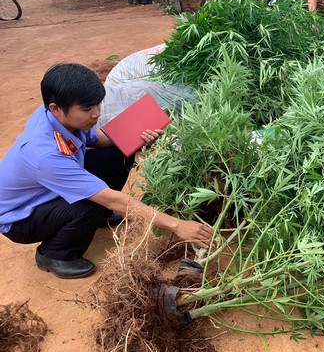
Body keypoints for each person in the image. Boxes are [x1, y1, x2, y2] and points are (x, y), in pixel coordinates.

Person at [0, 64, 213, 279]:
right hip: (19, 219)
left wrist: (137, 136)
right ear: (56, 108)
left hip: (47, 189)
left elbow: (97, 139)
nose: (96, 114)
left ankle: (95, 218)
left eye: (97, 105)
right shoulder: (45, 154)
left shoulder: (54, 116)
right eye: (86, 109)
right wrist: (177, 225)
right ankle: (55, 254)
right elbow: (111, 199)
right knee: (89, 203)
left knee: (120, 151)